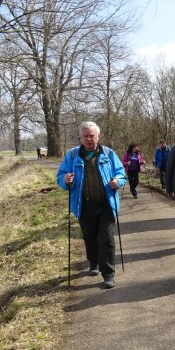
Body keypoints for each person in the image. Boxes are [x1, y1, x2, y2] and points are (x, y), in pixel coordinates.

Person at [57, 121, 127, 289]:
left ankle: (108, 273)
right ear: (81, 137)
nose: (89, 139)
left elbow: (121, 173)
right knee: (90, 237)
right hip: (84, 205)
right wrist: (65, 180)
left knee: (107, 238)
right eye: (85, 136)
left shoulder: (108, 154)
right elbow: (60, 177)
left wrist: (117, 181)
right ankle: (93, 262)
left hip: (106, 204)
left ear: (98, 136)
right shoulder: (72, 156)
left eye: (92, 136)